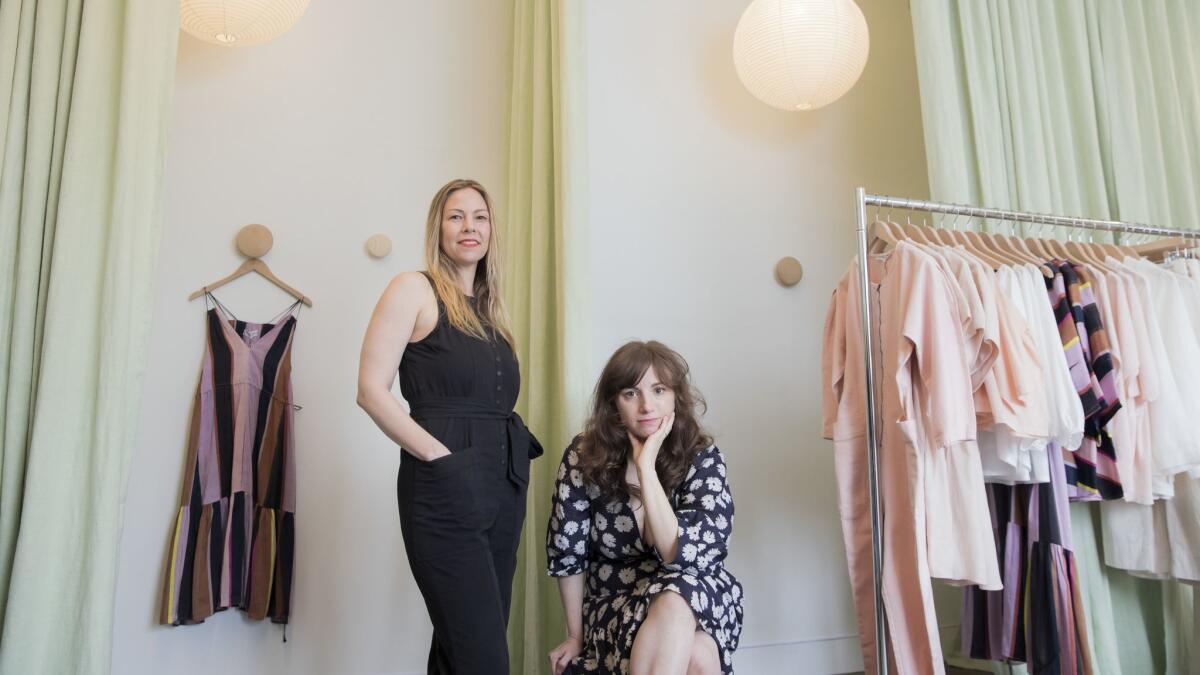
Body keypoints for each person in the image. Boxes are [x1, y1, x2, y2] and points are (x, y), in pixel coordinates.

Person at [357, 178, 542, 674]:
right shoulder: (412, 289)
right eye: (456, 216)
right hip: (444, 489)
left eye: (479, 217)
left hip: (502, 488)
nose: (469, 227)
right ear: (437, 227)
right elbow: (371, 391)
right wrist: (441, 459)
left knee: (459, 650)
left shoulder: (491, 312)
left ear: (490, 231)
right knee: (483, 659)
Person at [546, 341, 744, 674]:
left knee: (676, 595)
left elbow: (675, 554)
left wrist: (646, 468)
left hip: (696, 595)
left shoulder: (702, 458)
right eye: (630, 394)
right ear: (613, 404)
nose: (647, 406)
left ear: (675, 397)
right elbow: (568, 553)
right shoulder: (583, 456)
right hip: (615, 602)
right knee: (698, 657)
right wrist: (574, 636)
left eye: (659, 390)